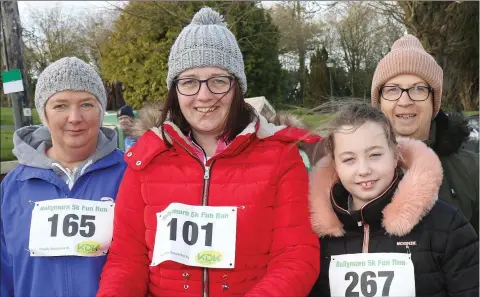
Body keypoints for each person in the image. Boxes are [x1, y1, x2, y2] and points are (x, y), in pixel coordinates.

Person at [97, 7, 320, 297]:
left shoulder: (280, 156)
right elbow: (127, 259)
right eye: (189, 82)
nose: (204, 95)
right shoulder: (146, 158)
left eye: (218, 80)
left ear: (237, 87)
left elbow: (295, 257)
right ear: (174, 91)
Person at [308, 103, 479, 297]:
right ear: (335, 165)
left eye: (375, 155)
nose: (363, 170)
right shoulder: (314, 236)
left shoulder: (448, 226)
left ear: (395, 154)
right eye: (349, 159)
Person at [0, 57, 126, 297]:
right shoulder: (14, 186)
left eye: (87, 104)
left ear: (101, 110)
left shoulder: (130, 176)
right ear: (44, 113)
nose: (75, 117)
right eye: (60, 106)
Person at [371, 34, 479, 233]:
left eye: (419, 89)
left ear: (434, 102)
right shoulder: (350, 168)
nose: (405, 101)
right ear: (379, 101)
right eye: (393, 90)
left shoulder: (472, 169)